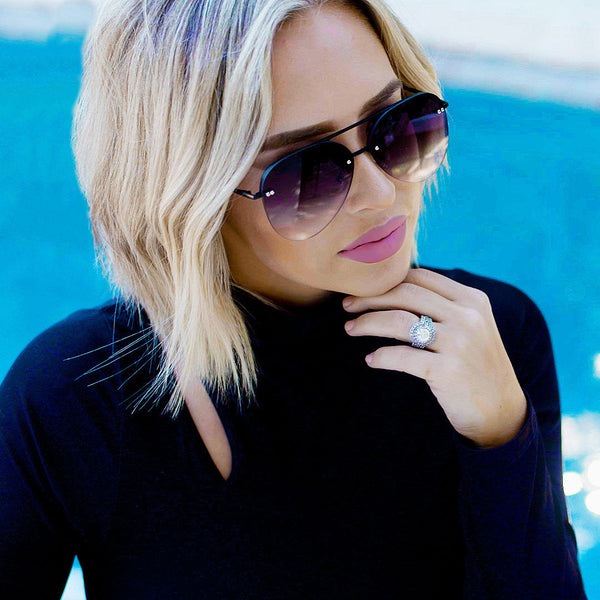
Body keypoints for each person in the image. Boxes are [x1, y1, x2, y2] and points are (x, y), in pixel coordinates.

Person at [0, 0, 588, 598]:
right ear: (192, 197)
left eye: (395, 126)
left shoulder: (489, 336)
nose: (381, 193)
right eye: (308, 173)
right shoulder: (77, 396)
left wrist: (498, 434)